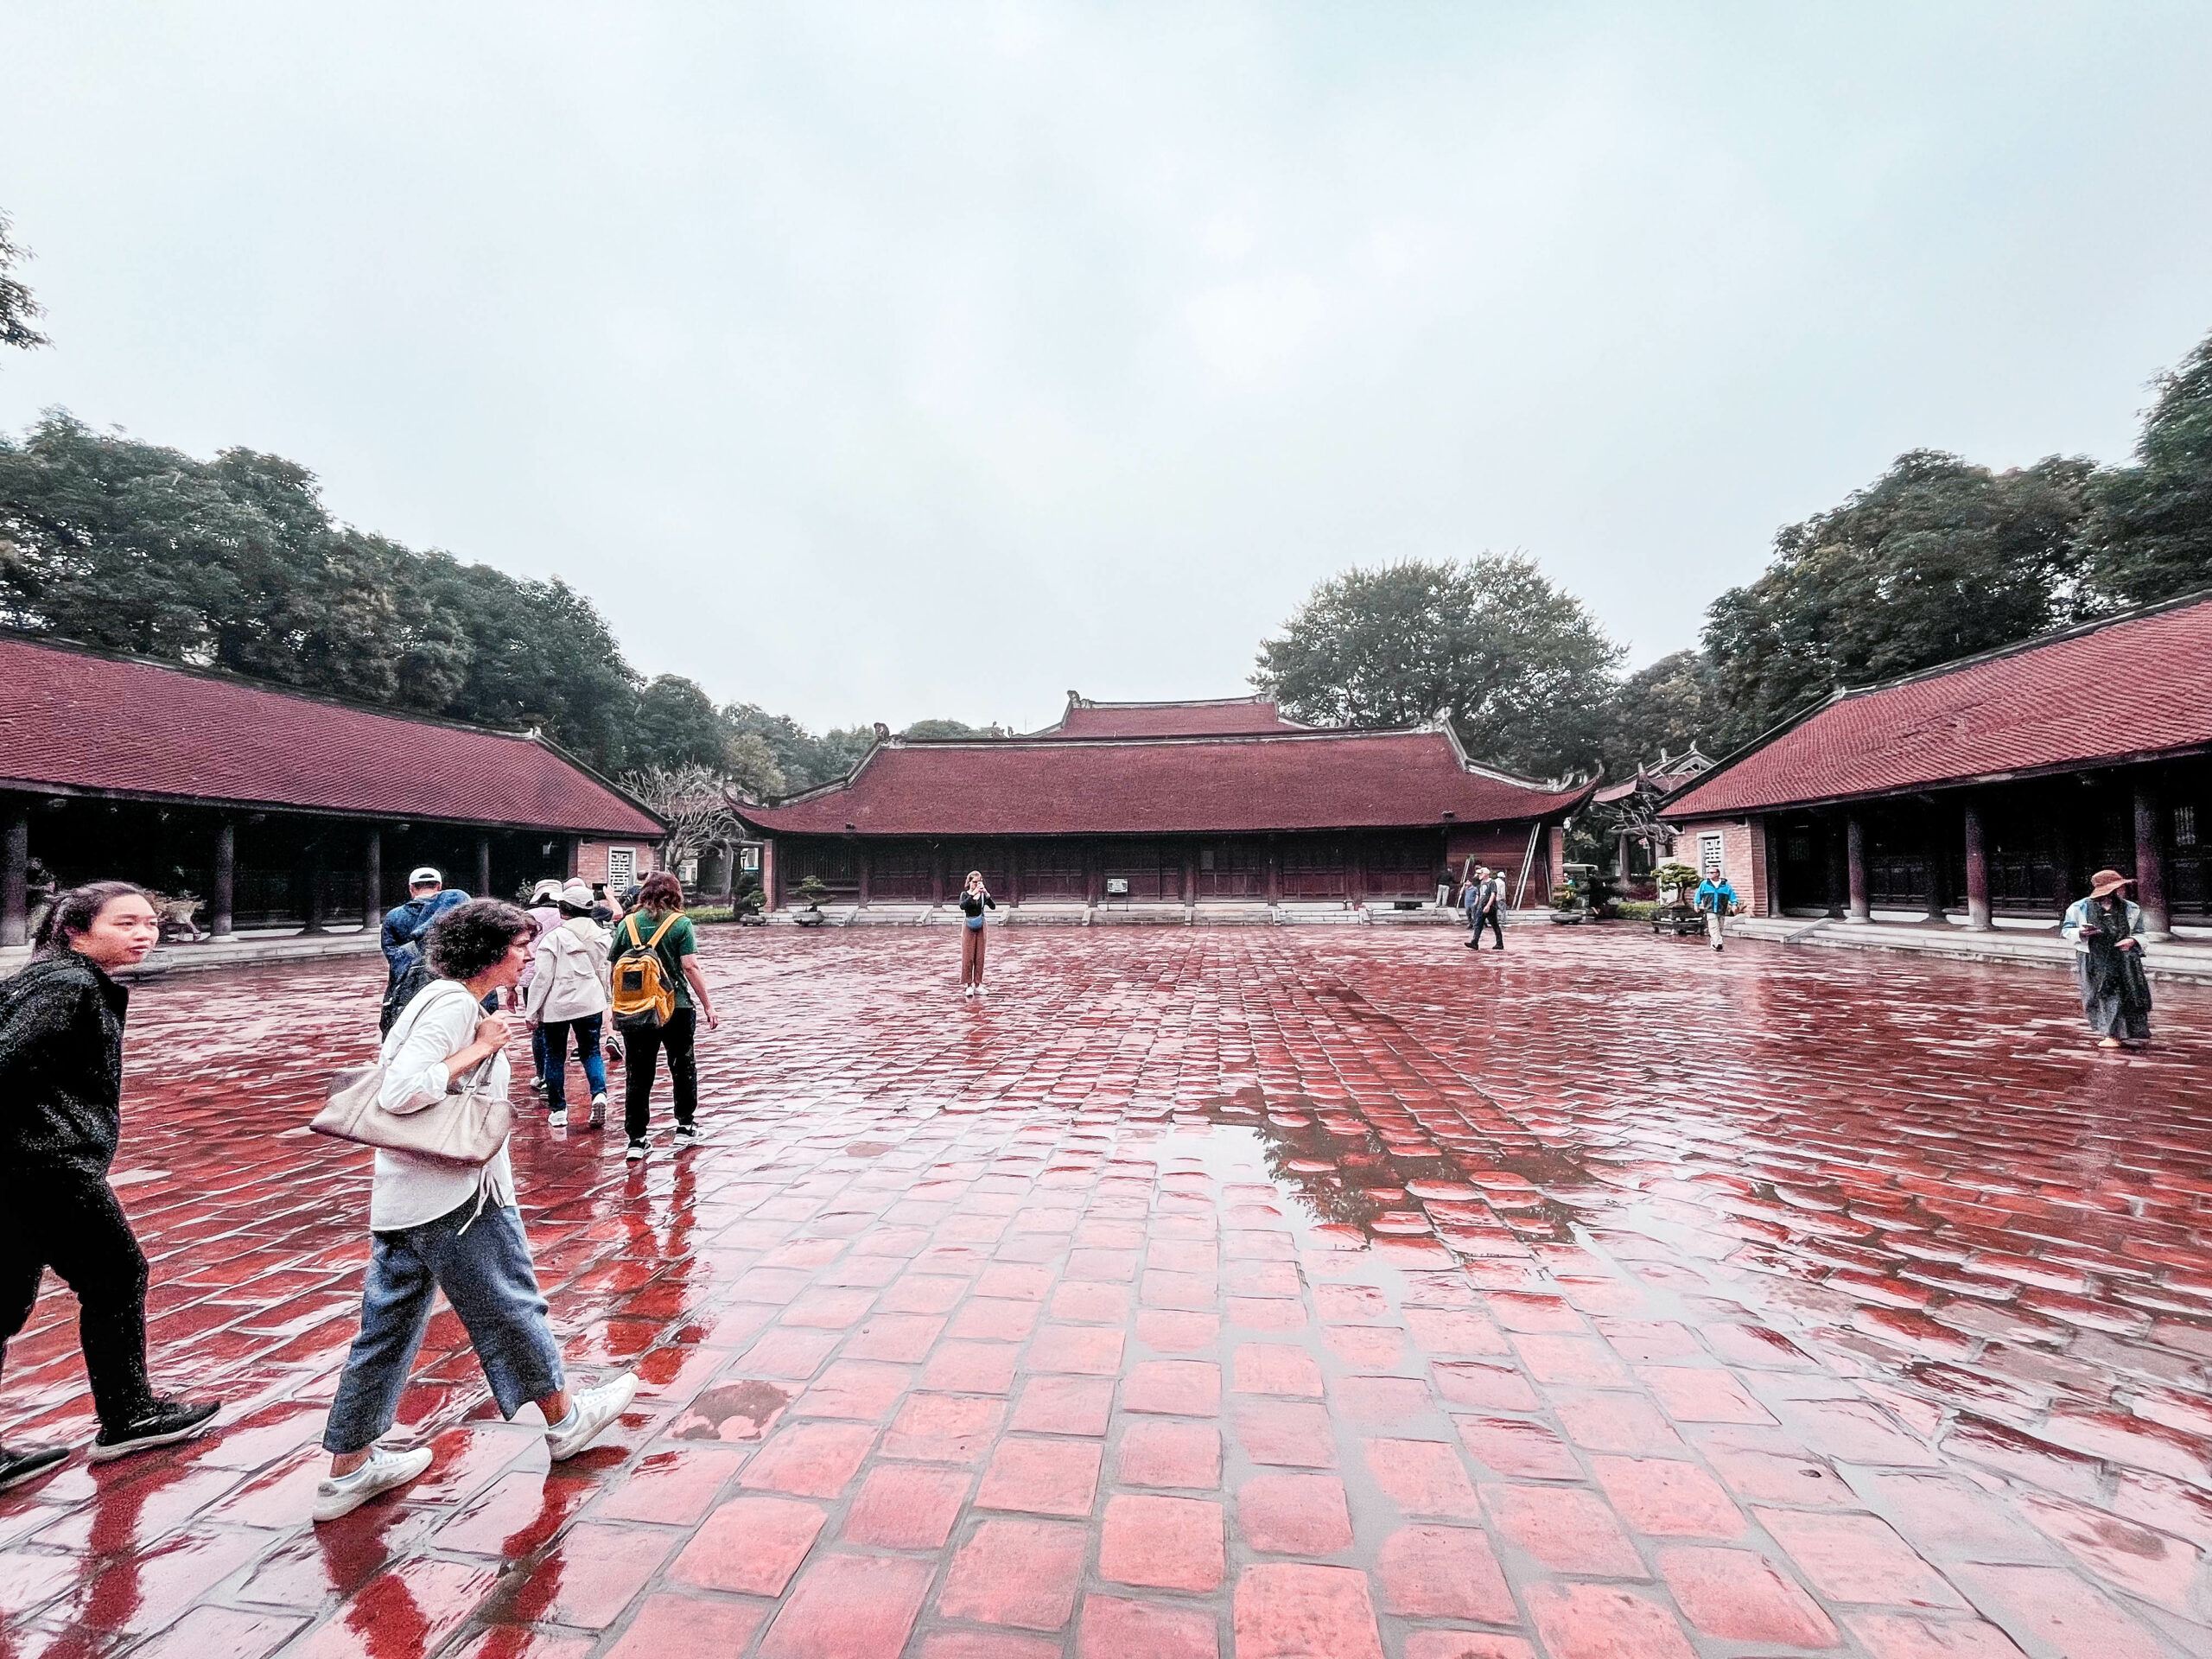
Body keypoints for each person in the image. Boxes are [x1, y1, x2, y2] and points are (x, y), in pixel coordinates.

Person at [315, 899, 636, 1522]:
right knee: (512, 1306)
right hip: (458, 1197)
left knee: (384, 1334)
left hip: (408, 1197)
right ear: (489, 952)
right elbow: (403, 1091)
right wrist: (481, 1046)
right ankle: (566, 1419)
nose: (528, 956)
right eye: (520, 947)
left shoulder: (444, 1000)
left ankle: (347, 1470)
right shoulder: (455, 1005)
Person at [1, 882, 222, 1492]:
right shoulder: (67, 985)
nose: (144, 934)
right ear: (74, 929)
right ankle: (129, 1414)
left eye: (150, 923)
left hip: (24, 1163)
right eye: (126, 923)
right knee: (117, 1277)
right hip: (47, 1163)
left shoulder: (50, 977)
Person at [616, 873, 717, 1163]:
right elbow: (690, 967)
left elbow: (614, 966)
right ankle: (685, 1126)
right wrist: (708, 1005)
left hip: (636, 1008)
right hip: (676, 1006)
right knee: (682, 1064)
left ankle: (637, 1138)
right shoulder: (680, 923)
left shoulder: (628, 924)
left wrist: (615, 1007)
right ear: (675, 894)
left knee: (638, 1072)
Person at [526, 881, 613, 1129]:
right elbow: (604, 971)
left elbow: (542, 979)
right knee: (591, 1051)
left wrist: (532, 1012)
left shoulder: (554, 939)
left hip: (557, 1005)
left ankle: (559, 1111)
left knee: (555, 1055)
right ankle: (599, 1094)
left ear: (564, 909)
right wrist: (606, 998)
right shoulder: (602, 936)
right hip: (591, 1001)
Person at [2062, 868, 2152, 1048]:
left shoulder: (2131, 908)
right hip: (2093, 958)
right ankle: (2110, 1033)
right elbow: (2066, 930)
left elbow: (2140, 932)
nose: (2122, 890)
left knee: (2127, 994)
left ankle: (2121, 1033)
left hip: (2124, 958)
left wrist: (2132, 940)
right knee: (2100, 994)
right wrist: (2082, 932)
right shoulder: (2079, 907)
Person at [379, 867, 469, 1033]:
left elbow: (391, 953)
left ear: (411, 888)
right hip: (447, 981)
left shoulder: (393, 916)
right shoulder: (456, 911)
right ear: (439, 887)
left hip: (407, 982)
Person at [518, 879, 565, 1096]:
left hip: (531, 977)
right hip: (560, 977)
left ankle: (542, 1075)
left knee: (536, 1026)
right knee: (557, 1028)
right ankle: (554, 1077)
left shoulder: (526, 917)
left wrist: (511, 987)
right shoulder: (566, 917)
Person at [958, 869, 996, 997]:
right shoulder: (965, 894)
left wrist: (986, 894)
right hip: (968, 925)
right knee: (968, 956)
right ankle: (968, 985)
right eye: (975, 882)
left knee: (980, 956)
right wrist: (972, 893)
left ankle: (978, 984)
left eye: (979, 882)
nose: (977, 884)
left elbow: (993, 906)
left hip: (981, 925)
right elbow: (963, 906)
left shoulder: (982, 896)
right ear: (969, 882)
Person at [1694, 869, 1738, 950]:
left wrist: (1734, 904)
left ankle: (1714, 943)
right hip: (1710, 909)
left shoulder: (1725, 885)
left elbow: (1732, 895)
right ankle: (1718, 943)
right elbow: (1699, 895)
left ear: (1717, 874)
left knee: (1720, 927)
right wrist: (1696, 904)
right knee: (1713, 927)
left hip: (1721, 909)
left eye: (1712, 872)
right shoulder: (1705, 884)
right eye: (1708, 872)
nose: (1709, 874)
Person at [1463, 865, 1504, 951]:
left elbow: (1493, 894)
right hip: (1481, 907)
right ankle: (1474, 942)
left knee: (1494, 924)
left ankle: (1499, 943)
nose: (1479, 875)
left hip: (1490, 907)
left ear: (1485, 874)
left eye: (1481, 873)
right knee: (1478, 924)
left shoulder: (1491, 882)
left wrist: (1488, 905)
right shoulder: (1481, 883)